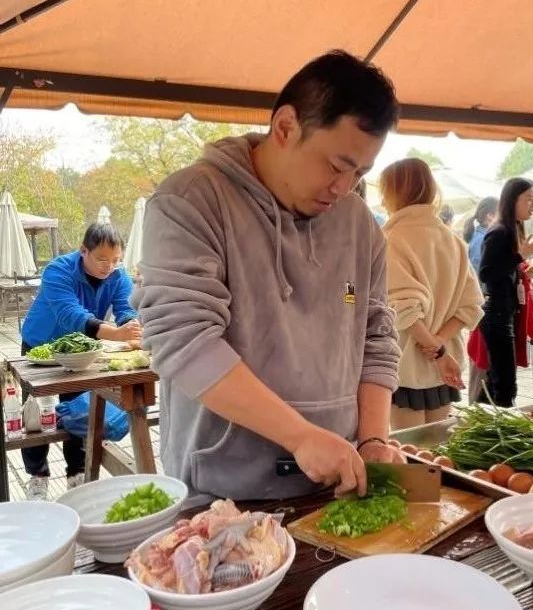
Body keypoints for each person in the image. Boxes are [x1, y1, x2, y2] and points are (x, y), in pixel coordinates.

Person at [134, 50, 404, 503]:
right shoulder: (190, 201)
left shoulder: (360, 224)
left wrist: (374, 438)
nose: (344, 188)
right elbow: (184, 340)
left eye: (360, 173)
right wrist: (300, 436)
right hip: (223, 491)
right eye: (336, 166)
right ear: (285, 127)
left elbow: (376, 336)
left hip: (337, 481)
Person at [21, 223, 142, 500]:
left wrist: (132, 327)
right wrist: (115, 333)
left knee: (78, 409)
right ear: (83, 250)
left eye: (116, 259)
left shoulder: (118, 276)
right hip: (40, 347)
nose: (109, 266)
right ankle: (37, 476)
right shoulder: (57, 270)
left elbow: (125, 308)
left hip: (81, 351)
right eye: (102, 259)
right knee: (35, 414)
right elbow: (70, 314)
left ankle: (76, 472)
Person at [382, 159, 484, 429]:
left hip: (406, 364)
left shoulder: (391, 238)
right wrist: (439, 345)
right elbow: (470, 306)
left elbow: (403, 309)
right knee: (438, 447)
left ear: (392, 192)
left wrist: (436, 351)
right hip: (444, 364)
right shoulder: (453, 240)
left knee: (410, 449)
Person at [477, 177, 533, 407]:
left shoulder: (510, 230)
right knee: (505, 385)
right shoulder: (499, 232)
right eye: (529, 199)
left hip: (505, 312)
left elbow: (501, 269)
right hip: (497, 314)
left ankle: (483, 419)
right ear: (512, 199)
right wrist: (520, 256)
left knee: (498, 380)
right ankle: (499, 423)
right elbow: (486, 273)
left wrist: (521, 270)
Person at [463, 196, 499, 402]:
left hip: (484, 310)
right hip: (486, 310)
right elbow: (485, 280)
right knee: (483, 365)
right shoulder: (484, 241)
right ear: (489, 216)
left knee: (482, 364)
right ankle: (479, 409)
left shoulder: (482, 238)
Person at [464, 197, 499, 275]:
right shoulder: (482, 240)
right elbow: (478, 273)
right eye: (501, 214)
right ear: (490, 215)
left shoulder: (480, 235)